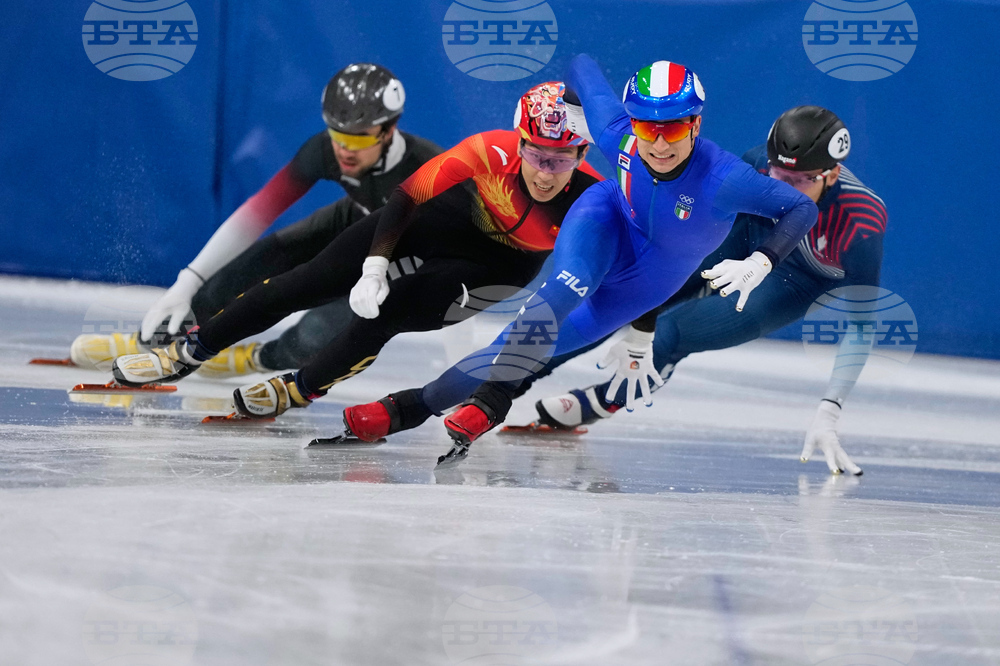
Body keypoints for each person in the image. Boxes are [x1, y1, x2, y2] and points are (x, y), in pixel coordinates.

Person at [337, 55, 819, 466]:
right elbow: (583, 64)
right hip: (605, 220)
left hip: (652, 279)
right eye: (648, 126)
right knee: (557, 296)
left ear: (695, 124)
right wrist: (565, 101)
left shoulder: (727, 179)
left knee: (524, 346)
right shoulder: (620, 136)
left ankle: (409, 408)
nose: (658, 143)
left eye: (673, 128)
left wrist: (762, 260)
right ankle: (487, 403)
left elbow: (801, 206)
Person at [109, 82, 604, 420]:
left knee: (384, 316)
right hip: (438, 222)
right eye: (536, 153)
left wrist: (635, 339)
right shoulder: (489, 149)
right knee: (301, 283)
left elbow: (634, 269)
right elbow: (408, 197)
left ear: (582, 155)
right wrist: (374, 266)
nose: (545, 171)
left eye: (561, 159)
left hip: (498, 266)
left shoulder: (595, 197)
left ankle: (297, 388)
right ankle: (190, 351)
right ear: (518, 143)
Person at [529, 106, 885, 476]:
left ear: (834, 175)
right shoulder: (756, 163)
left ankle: (602, 402)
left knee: (673, 331)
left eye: (801, 182)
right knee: (621, 298)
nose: (784, 189)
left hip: (796, 280)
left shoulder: (861, 224)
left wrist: (830, 410)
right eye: (779, 175)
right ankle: (512, 376)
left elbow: (862, 325)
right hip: (748, 237)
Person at [69, 63, 442, 377]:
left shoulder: (431, 172)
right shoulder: (322, 150)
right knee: (261, 259)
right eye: (336, 134)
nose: (344, 149)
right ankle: (152, 342)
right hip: (359, 220)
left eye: (359, 140)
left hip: (406, 253)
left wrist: (461, 351)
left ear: (389, 130)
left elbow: (462, 250)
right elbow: (255, 215)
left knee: (315, 335)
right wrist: (186, 283)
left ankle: (255, 360)